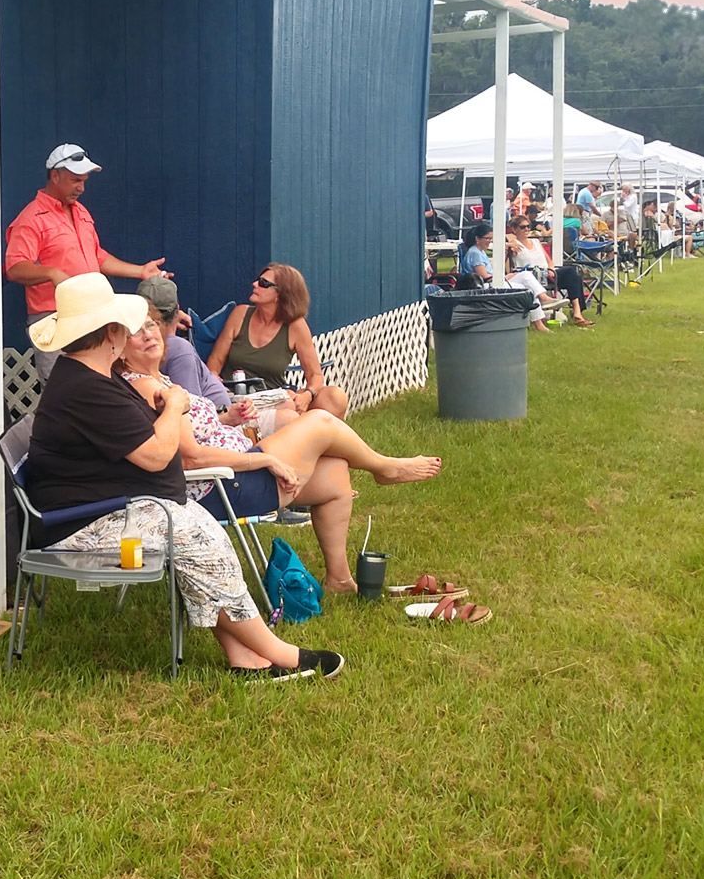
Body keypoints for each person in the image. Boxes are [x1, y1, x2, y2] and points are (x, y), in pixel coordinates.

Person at [27, 274, 351, 679]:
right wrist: (174, 405)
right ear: (110, 334)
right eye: (124, 326)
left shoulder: (94, 378)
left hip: (112, 508)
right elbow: (157, 454)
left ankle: (246, 660)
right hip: (82, 523)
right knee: (195, 536)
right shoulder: (86, 389)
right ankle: (282, 654)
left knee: (197, 531)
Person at [116, 316, 430, 592]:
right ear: (117, 345)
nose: (148, 334)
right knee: (320, 421)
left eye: (151, 324)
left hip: (232, 473)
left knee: (335, 475)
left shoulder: (161, 381)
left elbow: (191, 433)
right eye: (135, 331)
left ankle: (340, 580)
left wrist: (227, 419)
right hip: (219, 487)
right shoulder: (147, 387)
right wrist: (266, 459)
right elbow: (190, 458)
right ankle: (384, 467)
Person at [5, 143, 171, 381]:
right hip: (55, 318)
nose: (81, 187)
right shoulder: (31, 218)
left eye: (83, 181)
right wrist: (52, 273)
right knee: (61, 390)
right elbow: (15, 268)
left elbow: (97, 256)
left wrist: (140, 271)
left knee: (97, 383)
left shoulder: (80, 211)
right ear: (54, 175)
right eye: (75, 180)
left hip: (93, 315)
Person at [205, 264, 350, 425]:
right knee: (288, 405)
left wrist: (306, 396)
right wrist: (213, 378)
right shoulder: (240, 314)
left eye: (263, 283)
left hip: (273, 396)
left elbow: (315, 375)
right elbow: (215, 360)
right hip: (237, 398)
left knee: (334, 397)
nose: (254, 284)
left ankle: (324, 442)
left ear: (280, 295)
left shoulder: (296, 327)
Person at [133, 275, 235, 411]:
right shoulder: (178, 349)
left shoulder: (134, 345)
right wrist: (228, 418)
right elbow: (189, 412)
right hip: (220, 421)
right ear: (177, 309)